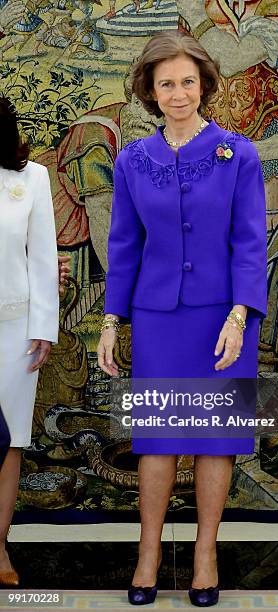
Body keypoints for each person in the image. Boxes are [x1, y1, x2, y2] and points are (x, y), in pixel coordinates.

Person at [97, 30, 267, 607]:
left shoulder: (237, 154)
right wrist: (111, 321)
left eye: (187, 82)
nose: (177, 93)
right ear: (149, 89)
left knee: (216, 441)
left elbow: (250, 242)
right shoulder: (132, 160)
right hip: (158, 318)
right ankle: (148, 554)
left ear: (204, 85)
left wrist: (241, 315)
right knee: (158, 440)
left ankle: (204, 555)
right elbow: (123, 246)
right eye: (165, 83)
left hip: (226, 319)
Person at [0, 97, 59, 586]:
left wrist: (44, 326)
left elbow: (42, 257)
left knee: (11, 438)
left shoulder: (31, 178)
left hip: (13, 330)